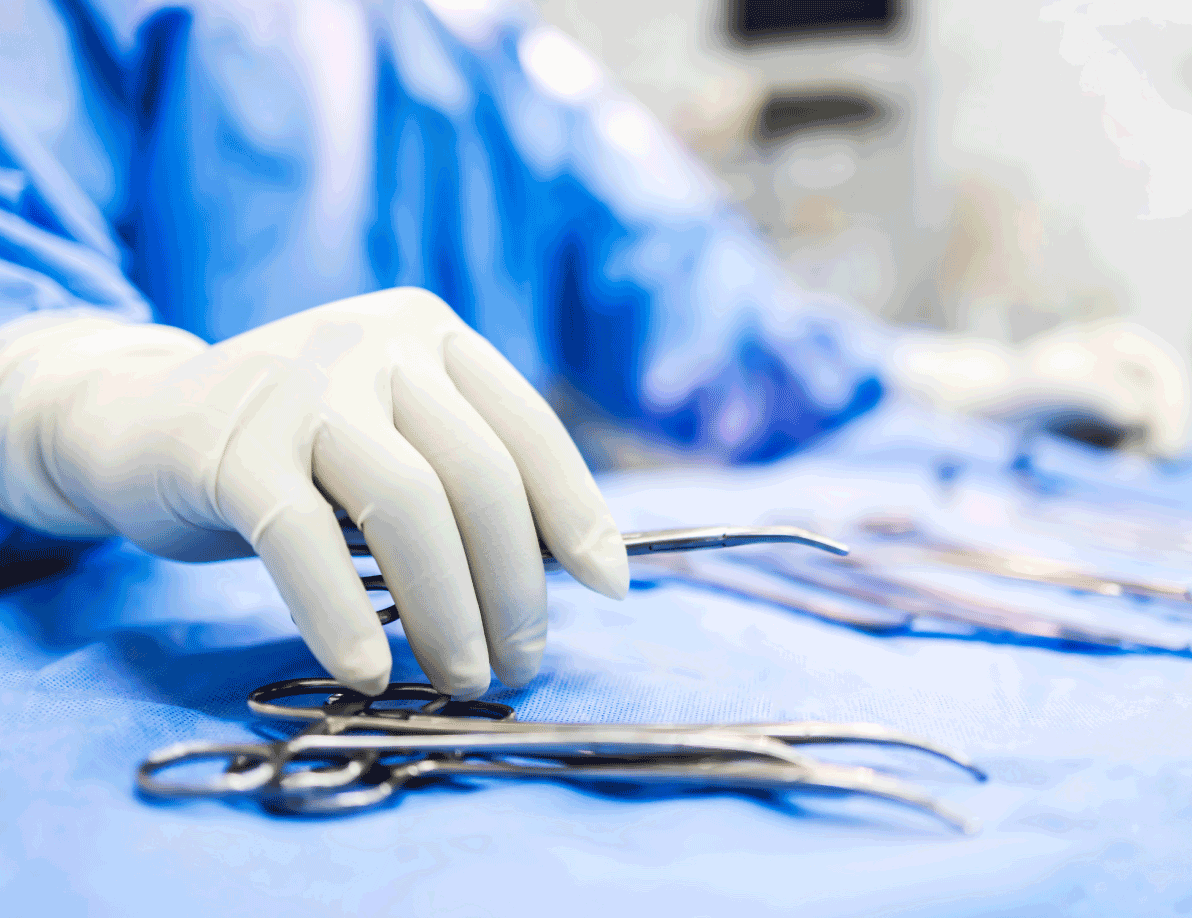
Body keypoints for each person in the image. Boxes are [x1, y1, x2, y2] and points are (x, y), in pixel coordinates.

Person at [0, 0, 1183, 698]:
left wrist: (957, 380)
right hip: (112, 670)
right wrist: (75, 405)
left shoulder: (482, 49)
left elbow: (702, 319)